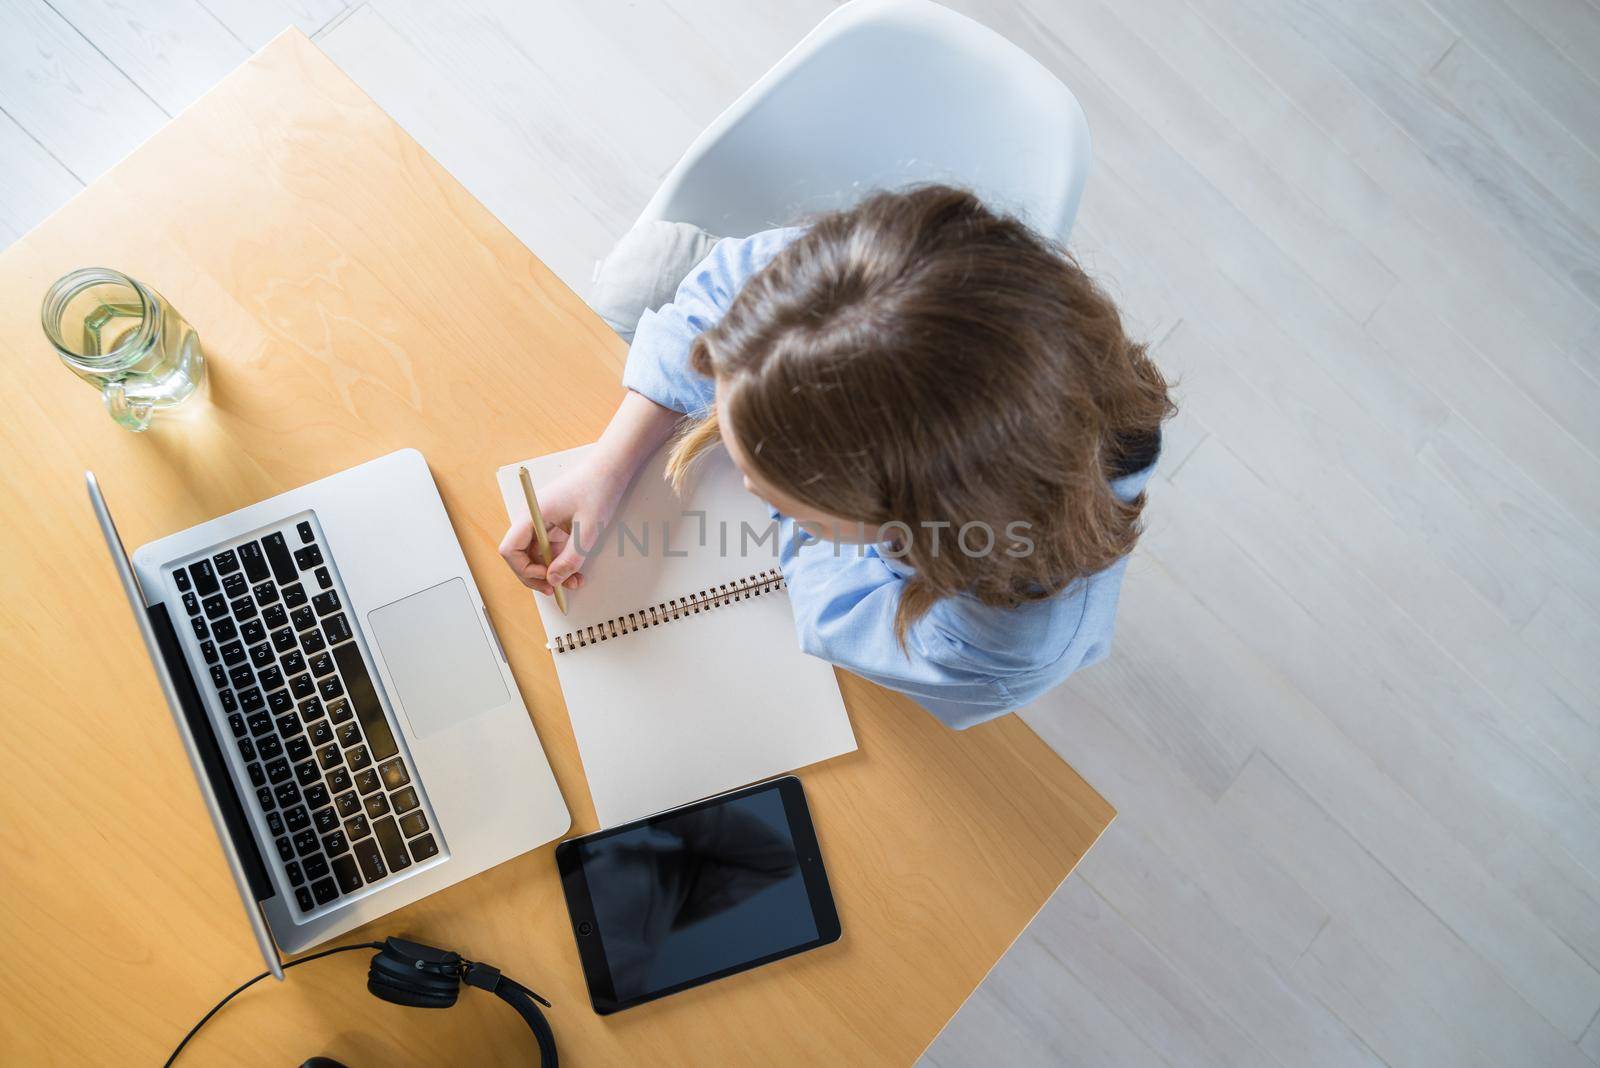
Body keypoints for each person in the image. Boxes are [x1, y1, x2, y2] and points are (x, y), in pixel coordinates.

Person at [500, 185, 1173, 729]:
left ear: (908, 528)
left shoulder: (999, 646)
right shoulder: (851, 291)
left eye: (777, 497)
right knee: (643, 272)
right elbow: (725, 290)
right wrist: (608, 468)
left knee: (631, 284)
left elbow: (841, 620)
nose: (748, 488)